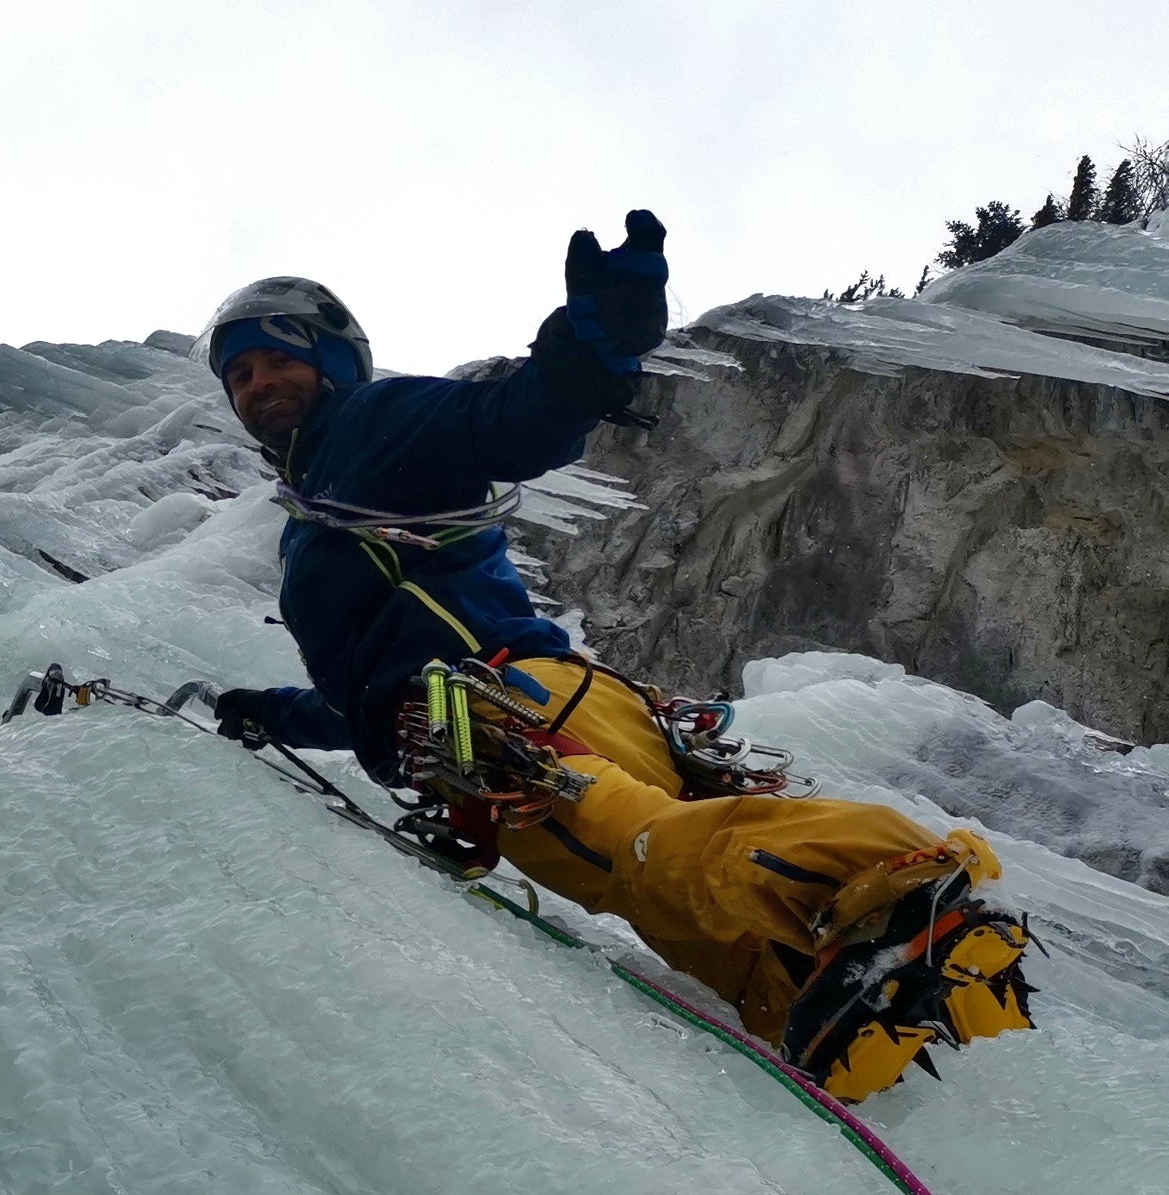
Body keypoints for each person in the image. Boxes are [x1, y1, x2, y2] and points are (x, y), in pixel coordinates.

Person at [197, 214, 1034, 1101]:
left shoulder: (373, 425)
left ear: (334, 363)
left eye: (279, 360)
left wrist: (584, 359)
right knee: (663, 897)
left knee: (648, 856)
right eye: (241, 375)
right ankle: (826, 1004)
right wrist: (270, 712)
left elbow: (502, 424)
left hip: (503, 719)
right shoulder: (321, 504)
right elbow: (370, 692)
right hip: (541, 707)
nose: (259, 384)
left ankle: (898, 881)